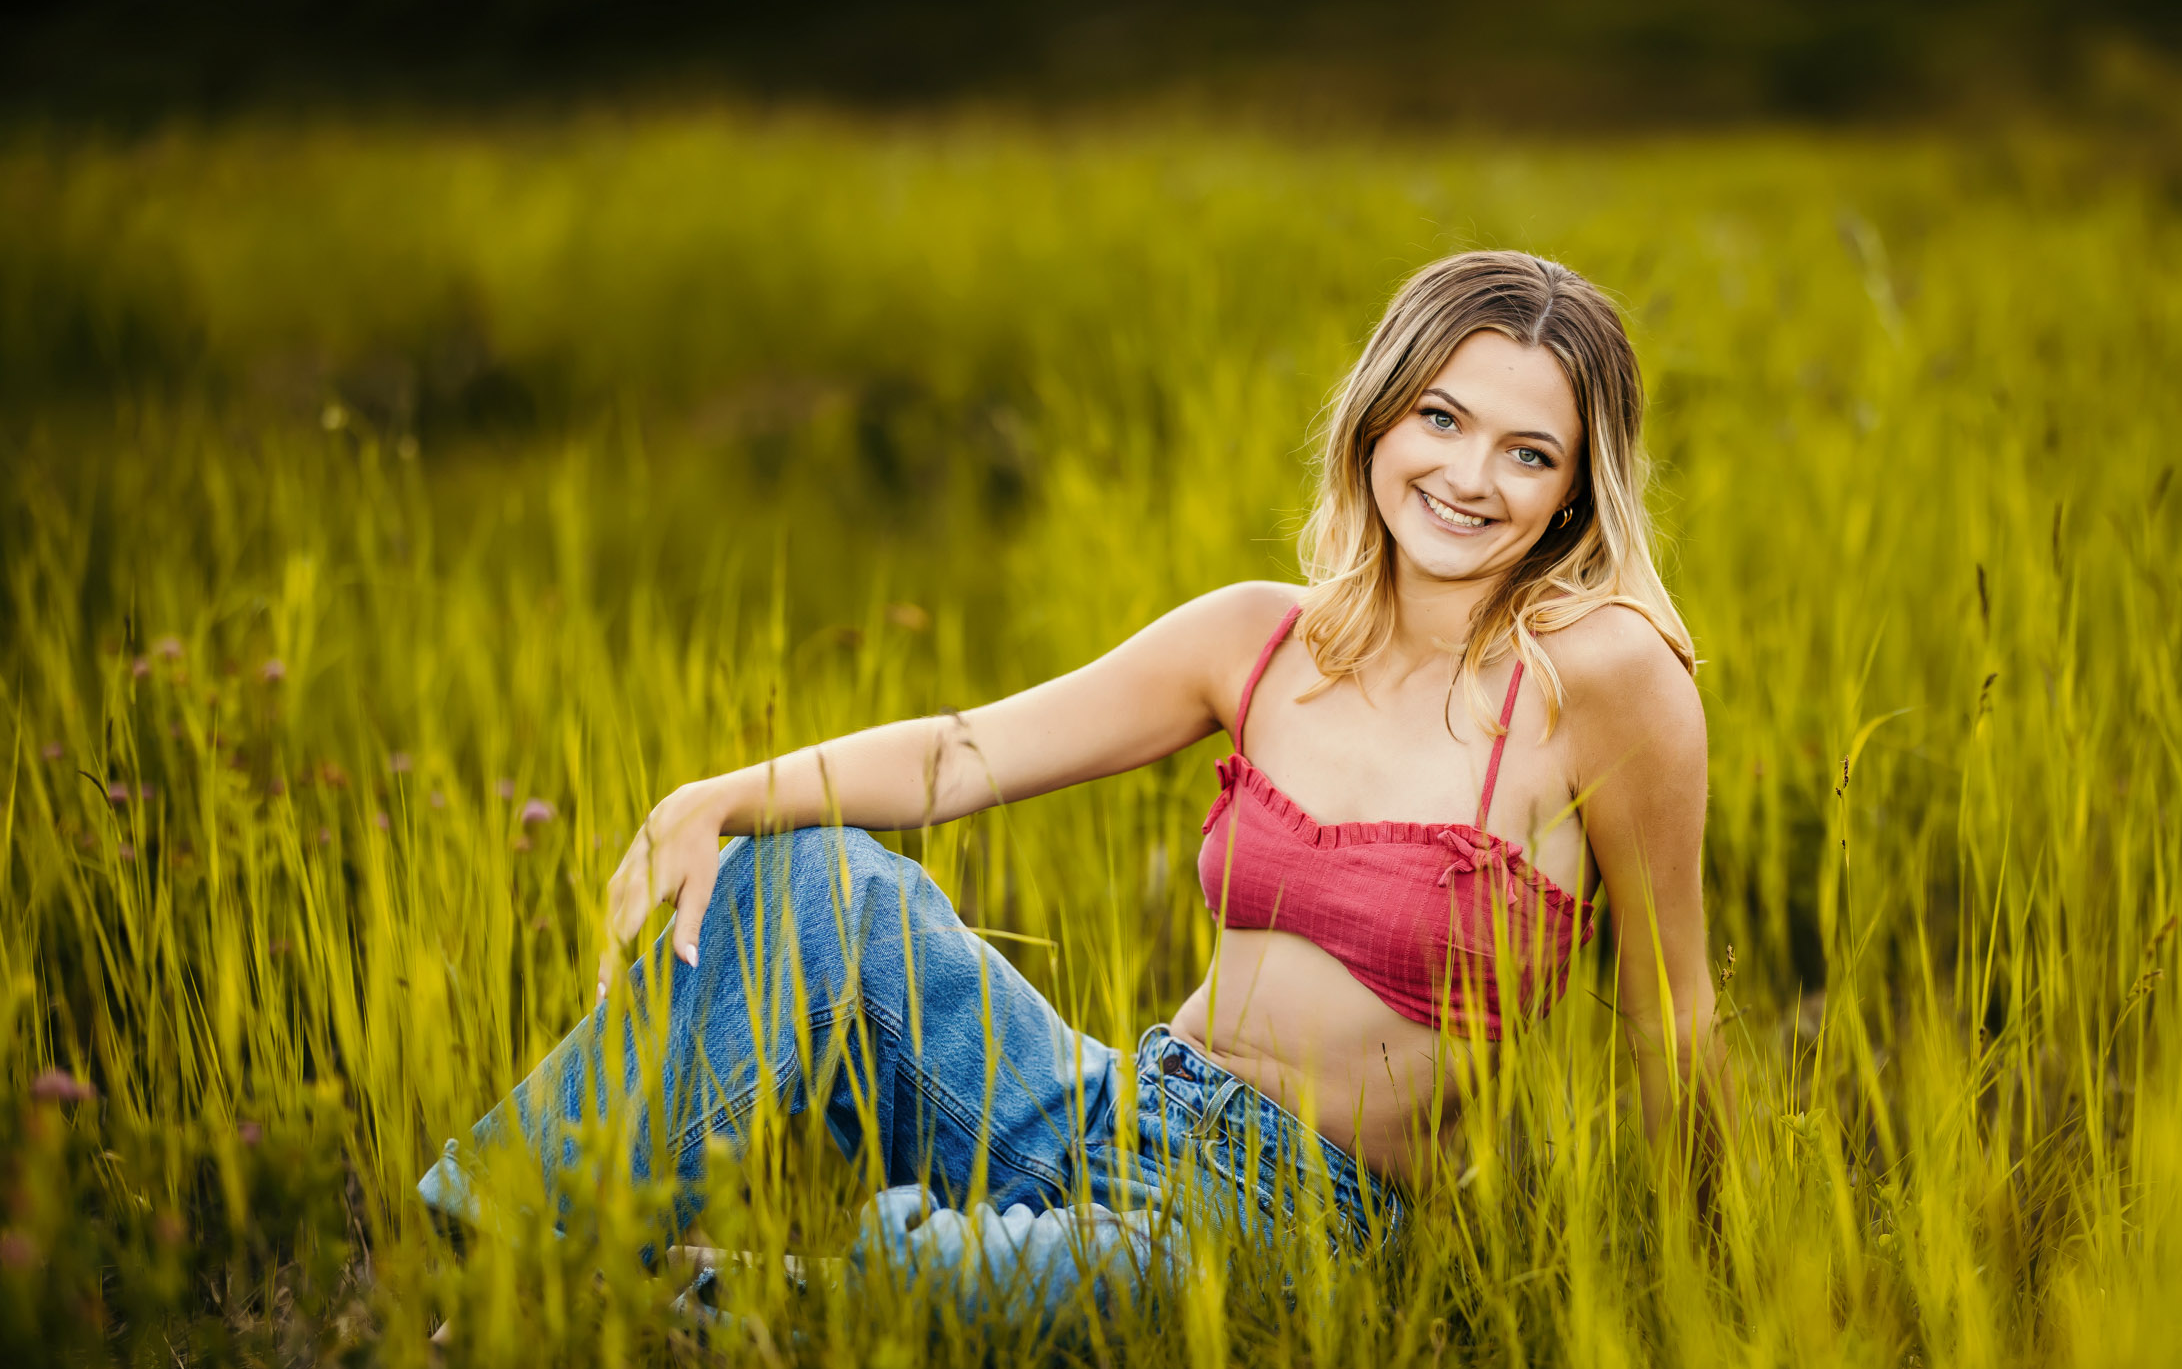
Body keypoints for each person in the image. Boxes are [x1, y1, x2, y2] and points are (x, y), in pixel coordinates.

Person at [418, 249, 1712, 1312]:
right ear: (1380, 417)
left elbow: (1672, 1017)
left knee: (981, 1296)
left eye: (1527, 453)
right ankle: (517, 1248)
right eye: (1441, 418)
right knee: (810, 877)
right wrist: (723, 796)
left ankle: (753, 1298)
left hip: (1296, 1231)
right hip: (1116, 1107)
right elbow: (970, 751)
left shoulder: (1604, 683)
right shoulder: (1259, 637)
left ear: (1572, 494)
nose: (1469, 476)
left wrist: (1696, 1295)